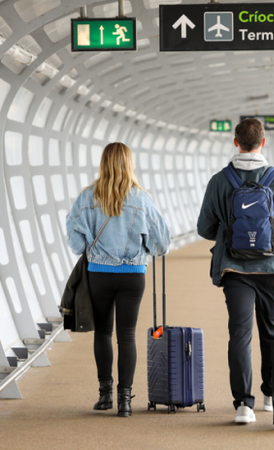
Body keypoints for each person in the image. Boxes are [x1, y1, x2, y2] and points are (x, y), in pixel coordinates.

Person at [197, 118, 274, 424]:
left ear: (236, 143)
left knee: (240, 335)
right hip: (273, 269)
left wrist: (229, 229)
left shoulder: (220, 180)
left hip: (235, 269)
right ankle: (271, 395)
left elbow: (204, 228)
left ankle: (243, 404)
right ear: (263, 142)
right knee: (271, 333)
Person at [66, 142, 170, 417]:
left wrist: (93, 246)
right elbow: (162, 245)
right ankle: (125, 401)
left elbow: (75, 243)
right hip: (133, 276)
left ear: (103, 164)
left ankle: (105, 395)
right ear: (129, 164)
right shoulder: (142, 199)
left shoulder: (86, 198)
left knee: (103, 333)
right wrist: (142, 250)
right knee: (127, 336)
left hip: (98, 274)